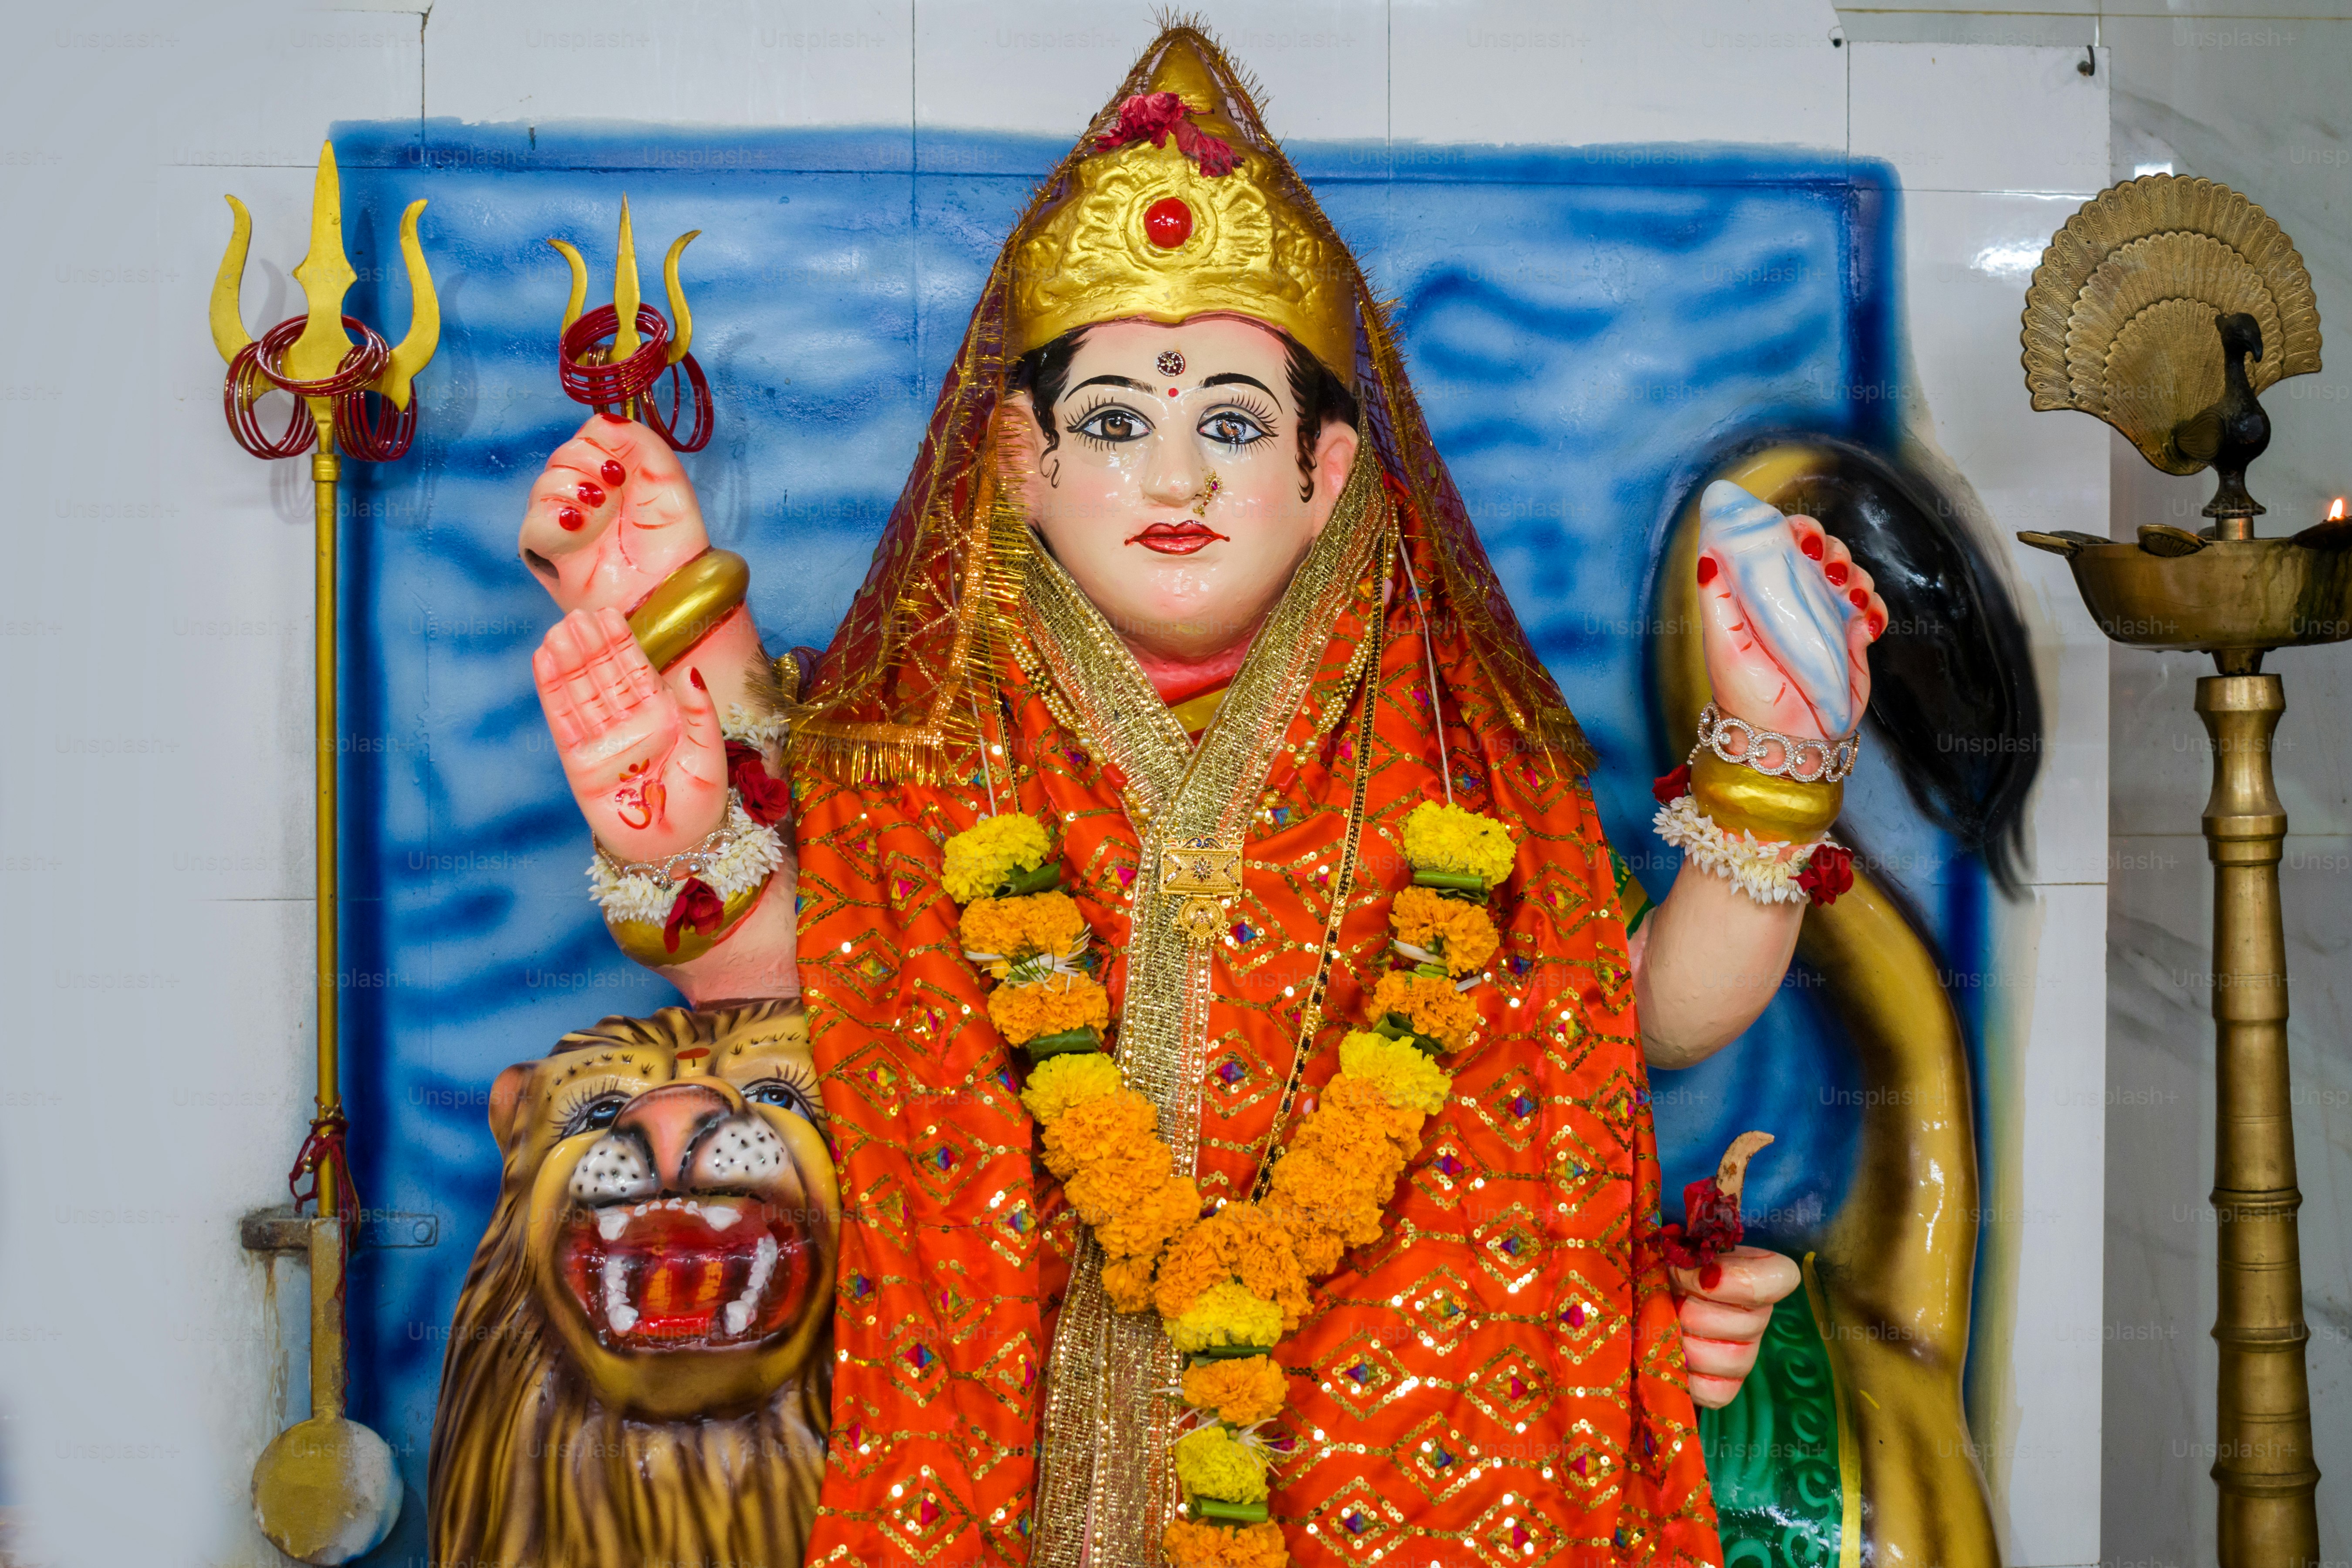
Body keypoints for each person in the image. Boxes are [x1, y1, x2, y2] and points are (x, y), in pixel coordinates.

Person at [516, 27, 1883, 1568]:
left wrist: (1775, 772)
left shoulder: (1456, 754)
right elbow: (802, 987)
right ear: (1021, 460)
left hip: (1394, 1464)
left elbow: (1635, 1023)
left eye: (1230, 423)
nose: (1175, 481)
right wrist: (676, 834)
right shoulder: (926, 737)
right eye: (1116, 423)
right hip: (1017, 1459)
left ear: (1331, 473)